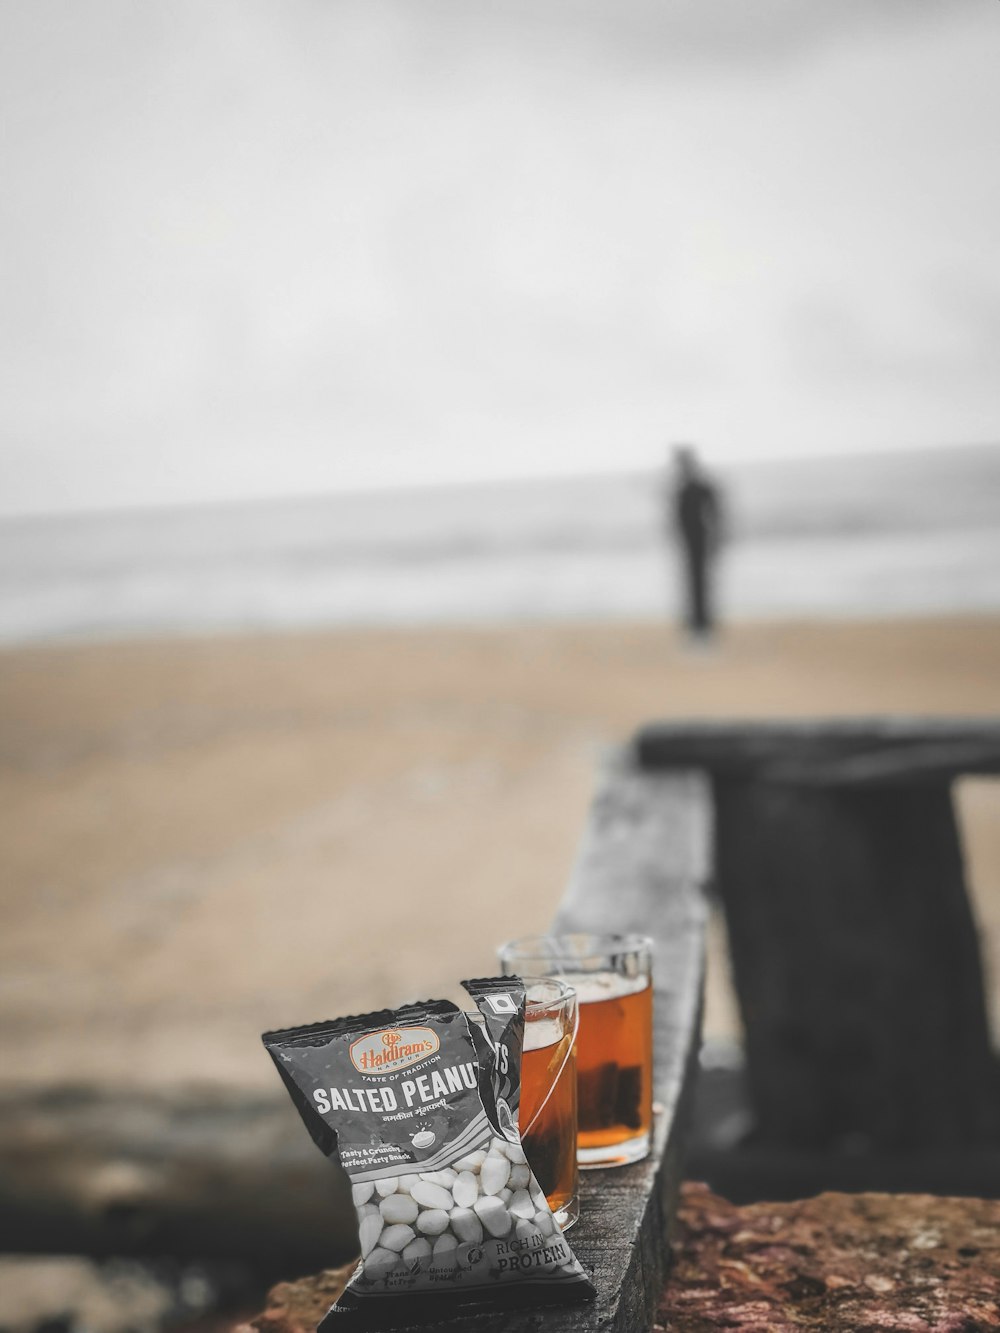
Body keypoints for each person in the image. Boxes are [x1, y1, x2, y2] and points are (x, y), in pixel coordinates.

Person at [668, 446, 723, 639]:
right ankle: (694, 625)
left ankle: (703, 627)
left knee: (701, 584)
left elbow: (716, 516)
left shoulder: (701, 487)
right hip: (687, 543)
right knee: (691, 585)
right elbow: (676, 519)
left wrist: (716, 541)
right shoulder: (680, 489)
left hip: (702, 542)